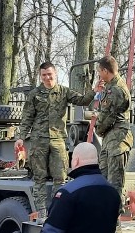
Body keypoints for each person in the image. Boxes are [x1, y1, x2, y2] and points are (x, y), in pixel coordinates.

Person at [15, 62, 91, 221]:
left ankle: (58, 211)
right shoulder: (35, 94)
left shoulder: (63, 92)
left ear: (55, 74)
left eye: (49, 74)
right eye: (44, 75)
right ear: (40, 76)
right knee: (39, 178)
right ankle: (41, 213)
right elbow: (27, 117)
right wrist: (21, 137)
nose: (47, 77)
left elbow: (82, 100)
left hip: (57, 139)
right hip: (39, 140)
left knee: (60, 178)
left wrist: (95, 90)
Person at [85, 55, 133, 213]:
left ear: (105, 70)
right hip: (110, 140)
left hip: (118, 140)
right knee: (104, 179)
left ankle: (114, 221)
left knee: (114, 183)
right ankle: (104, 217)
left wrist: (98, 128)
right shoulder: (110, 87)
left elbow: (107, 118)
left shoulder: (116, 90)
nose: (99, 74)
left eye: (99, 71)